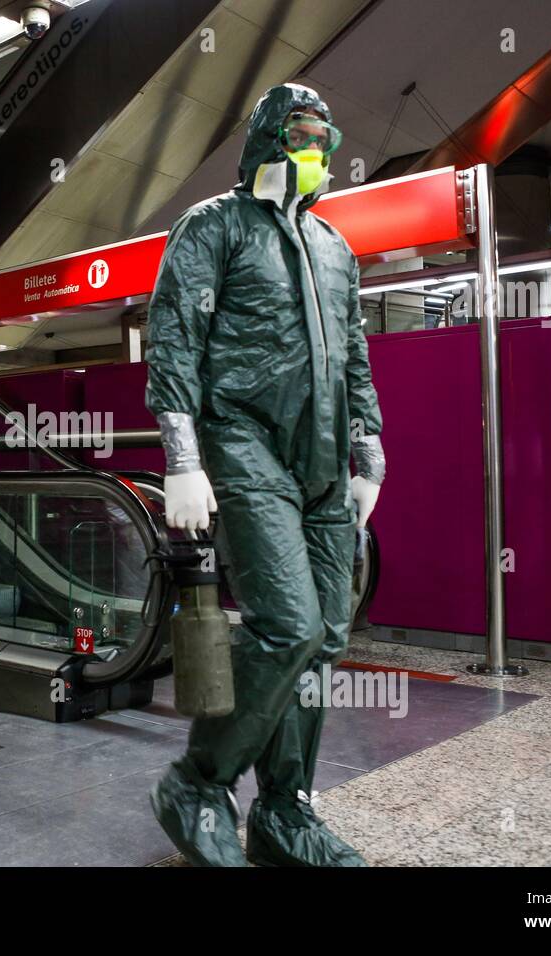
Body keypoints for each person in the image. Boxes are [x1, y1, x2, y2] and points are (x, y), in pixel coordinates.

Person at [145, 83, 386, 867]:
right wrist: (183, 456)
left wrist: (367, 447)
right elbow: (175, 338)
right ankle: (197, 782)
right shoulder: (212, 227)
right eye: (300, 134)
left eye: (323, 135)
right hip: (243, 443)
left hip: (321, 462)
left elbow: (352, 354)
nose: (314, 148)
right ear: (268, 141)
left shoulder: (333, 248)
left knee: (325, 640)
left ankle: (285, 811)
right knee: (289, 625)